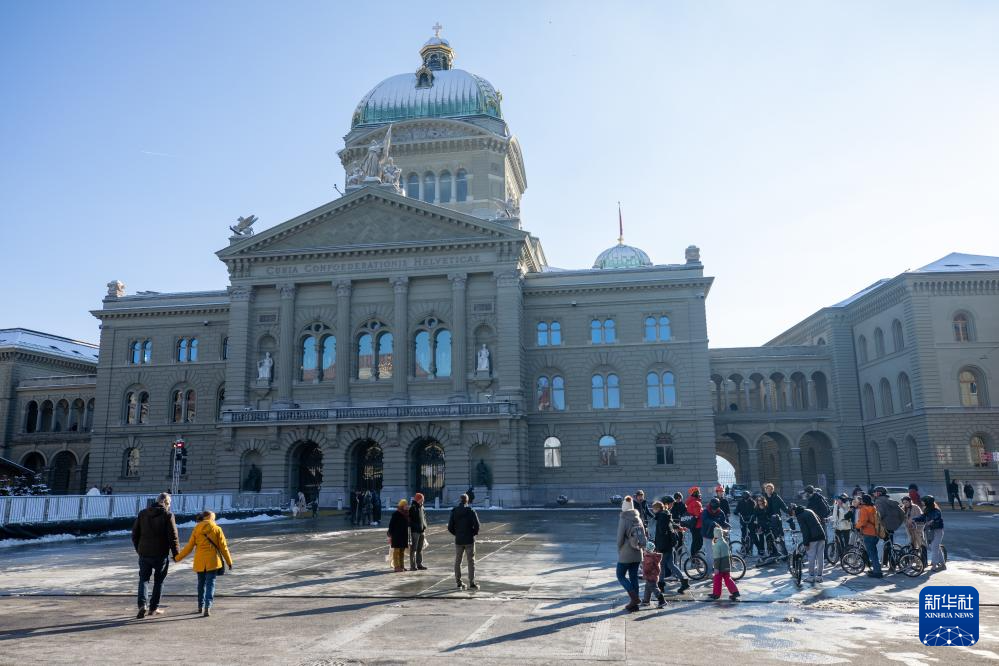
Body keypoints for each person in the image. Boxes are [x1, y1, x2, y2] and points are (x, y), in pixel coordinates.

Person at [174, 510, 233, 617]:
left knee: (201, 584)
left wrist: (178, 558)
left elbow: (189, 547)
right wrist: (229, 561)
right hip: (213, 561)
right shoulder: (217, 529)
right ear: (212, 518)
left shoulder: (196, 529)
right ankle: (207, 607)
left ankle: (200, 606)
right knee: (210, 584)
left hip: (200, 562)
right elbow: (223, 547)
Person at [132, 492, 180, 619]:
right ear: (167, 503)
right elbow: (173, 537)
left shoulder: (143, 513)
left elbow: (135, 534)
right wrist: (176, 554)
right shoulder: (168, 515)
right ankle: (153, 608)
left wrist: (139, 549)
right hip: (160, 553)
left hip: (144, 553)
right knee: (159, 581)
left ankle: (142, 604)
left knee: (144, 579)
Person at [651, 499, 689, 593]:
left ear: (657, 509)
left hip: (663, 546)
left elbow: (662, 534)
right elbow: (671, 525)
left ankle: (661, 585)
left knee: (662, 565)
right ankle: (684, 582)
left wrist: (658, 547)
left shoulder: (661, 518)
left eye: (654, 509)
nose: (653, 511)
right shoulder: (666, 515)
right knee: (670, 564)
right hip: (669, 545)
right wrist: (679, 527)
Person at [615, 495, 644, 612]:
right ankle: (634, 604)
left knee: (620, 575)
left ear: (624, 507)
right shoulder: (638, 518)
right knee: (634, 577)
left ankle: (634, 598)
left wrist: (619, 549)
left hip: (626, 553)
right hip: (637, 552)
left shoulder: (624, 518)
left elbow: (620, 538)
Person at [448, 493, 480, 589]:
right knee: (471, 561)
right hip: (469, 539)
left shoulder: (454, 511)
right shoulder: (471, 511)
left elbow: (450, 527)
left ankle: (458, 582)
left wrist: (457, 534)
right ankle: (472, 582)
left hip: (459, 540)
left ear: (460, 500)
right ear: (467, 500)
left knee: (458, 561)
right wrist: (473, 533)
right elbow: (477, 525)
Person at [873, 486, 906, 571]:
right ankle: (885, 562)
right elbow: (902, 513)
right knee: (888, 544)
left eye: (875, 492)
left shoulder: (879, 501)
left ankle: (892, 564)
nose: (874, 494)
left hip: (885, 526)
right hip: (892, 527)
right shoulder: (890, 500)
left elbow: (880, 514)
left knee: (888, 545)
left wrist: (875, 523)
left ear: (879, 493)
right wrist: (897, 523)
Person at [910, 495, 945, 571]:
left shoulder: (936, 510)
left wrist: (932, 521)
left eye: (923, 501)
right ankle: (942, 564)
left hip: (938, 530)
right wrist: (914, 519)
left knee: (934, 547)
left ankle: (934, 564)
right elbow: (922, 517)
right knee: (935, 547)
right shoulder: (927, 510)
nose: (922, 502)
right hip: (930, 530)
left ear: (928, 502)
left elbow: (936, 517)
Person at [793, 504, 826, 584]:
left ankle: (811, 576)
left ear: (794, 511)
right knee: (820, 556)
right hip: (821, 535)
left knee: (811, 557)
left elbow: (805, 531)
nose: (793, 515)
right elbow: (819, 520)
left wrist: (806, 543)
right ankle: (819, 577)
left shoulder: (800, 516)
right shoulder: (809, 510)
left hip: (812, 538)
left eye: (792, 513)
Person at [708, 525, 740, 601]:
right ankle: (735, 592)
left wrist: (716, 568)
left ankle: (716, 594)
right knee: (727, 579)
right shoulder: (724, 542)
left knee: (717, 579)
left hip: (720, 566)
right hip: (726, 564)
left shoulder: (717, 545)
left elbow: (717, 558)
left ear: (715, 535)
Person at [701, 498, 730, 576]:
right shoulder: (705, 511)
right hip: (707, 535)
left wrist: (727, 525)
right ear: (710, 506)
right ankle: (708, 572)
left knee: (717, 553)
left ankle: (715, 568)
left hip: (717, 535)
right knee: (710, 554)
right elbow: (704, 520)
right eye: (713, 509)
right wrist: (713, 523)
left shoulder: (720, 512)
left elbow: (723, 522)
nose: (714, 510)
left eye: (716, 509)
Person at [855, 494, 882, 578]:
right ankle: (876, 569)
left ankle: (877, 572)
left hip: (868, 533)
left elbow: (863, 521)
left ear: (863, 501)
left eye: (861, 500)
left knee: (872, 553)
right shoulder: (873, 507)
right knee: (874, 553)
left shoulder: (864, 509)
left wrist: (857, 526)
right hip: (875, 533)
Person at [763, 483, 789, 558]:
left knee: (779, 536)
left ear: (772, 490)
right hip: (767, 519)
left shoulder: (776, 497)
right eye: (767, 489)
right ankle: (772, 552)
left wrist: (790, 512)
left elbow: (784, 506)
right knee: (768, 537)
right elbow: (758, 507)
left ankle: (784, 553)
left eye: (770, 489)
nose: (769, 490)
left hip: (776, 519)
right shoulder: (763, 498)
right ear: (765, 490)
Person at [901, 495, 926, 566]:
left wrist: (913, 521)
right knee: (912, 545)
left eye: (906, 502)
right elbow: (903, 519)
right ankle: (915, 561)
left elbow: (921, 517)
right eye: (904, 502)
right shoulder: (903, 508)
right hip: (909, 529)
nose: (905, 504)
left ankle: (924, 561)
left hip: (917, 529)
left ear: (910, 501)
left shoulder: (915, 507)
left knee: (921, 544)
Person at [640, 542, 667, 608]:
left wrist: (644, 571)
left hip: (650, 576)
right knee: (647, 588)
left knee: (654, 588)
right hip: (653, 575)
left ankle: (662, 600)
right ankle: (646, 601)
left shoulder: (648, 557)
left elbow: (647, 568)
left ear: (647, 550)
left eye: (644, 549)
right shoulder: (653, 556)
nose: (643, 551)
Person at [387, 499, 410, 572]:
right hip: (396, 536)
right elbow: (391, 525)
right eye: (406, 505)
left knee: (402, 552)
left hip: (404, 535)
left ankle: (402, 566)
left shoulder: (406, 514)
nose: (407, 506)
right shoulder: (396, 514)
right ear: (402, 506)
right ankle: (396, 567)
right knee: (396, 552)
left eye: (407, 505)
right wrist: (390, 534)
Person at [409, 492, 428, 570]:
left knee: (420, 549)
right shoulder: (413, 508)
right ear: (418, 499)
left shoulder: (422, 507)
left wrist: (425, 525)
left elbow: (424, 517)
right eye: (422, 499)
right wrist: (416, 526)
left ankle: (419, 564)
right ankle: (413, 566)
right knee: (414, 549)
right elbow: (410, 520)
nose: (423, 500)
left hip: (422, 531)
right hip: (415, 532)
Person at [685, 487, 704, 557]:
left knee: (695, 541)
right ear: (695, 494)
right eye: (698, 493)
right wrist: (703, 513)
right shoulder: (696, 502)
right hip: (697, 525)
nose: (700, 494)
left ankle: (695, 556)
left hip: (693, 525)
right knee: (698, 542)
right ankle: (694, 556)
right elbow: (698, 514)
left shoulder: (691, 502)